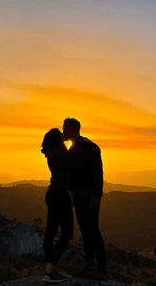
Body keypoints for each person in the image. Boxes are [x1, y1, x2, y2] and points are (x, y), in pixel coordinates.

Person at [63, 117, 107, 281]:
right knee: (85, 231)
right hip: (78, 197)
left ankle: (101, 268)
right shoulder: (72, 148)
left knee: (93, 231)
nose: (64, 131)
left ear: (74, 130)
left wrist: (97, 195)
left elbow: (98, 172)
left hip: (90, 197)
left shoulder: (90, 147)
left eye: (66, 129)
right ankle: (89, 265)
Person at [40, 128, 74, 283]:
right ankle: (51, 271)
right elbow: (72, 166)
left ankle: (49, 269)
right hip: (60, 195)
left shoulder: (51, 153)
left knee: (51, 233)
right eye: (60, 135)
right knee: (67, 233)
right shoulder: (61, 154)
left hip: (52, 193)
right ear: (57, 139)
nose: (63, 136)